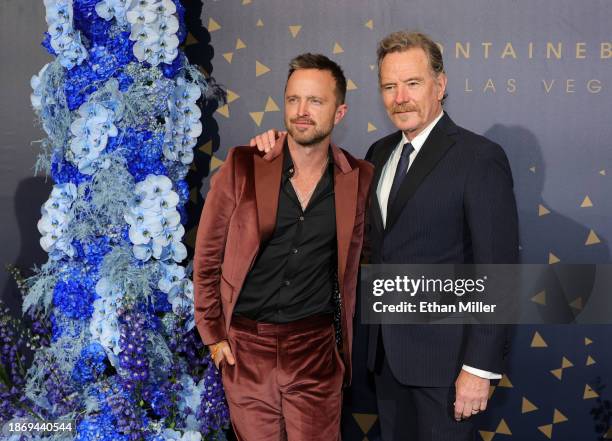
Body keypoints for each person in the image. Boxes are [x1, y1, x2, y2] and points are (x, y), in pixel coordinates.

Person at [250, 31, 518, 441]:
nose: (400, 97)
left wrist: (479, 369)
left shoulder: (478, 158)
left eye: (412, 84)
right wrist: (280, 146)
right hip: (384, 361)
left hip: (447, 368)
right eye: (389, 87)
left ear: (440, 86)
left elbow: (497, 271)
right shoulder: (379, 153)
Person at [193, 53, 373, 441]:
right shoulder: (245, 164)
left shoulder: (357, 179)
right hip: (246, 350)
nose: (301, 111)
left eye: (315, 101)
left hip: (315, 351)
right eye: (293, 100)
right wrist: (213, 334)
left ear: (339, 113)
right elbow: (207, 257)